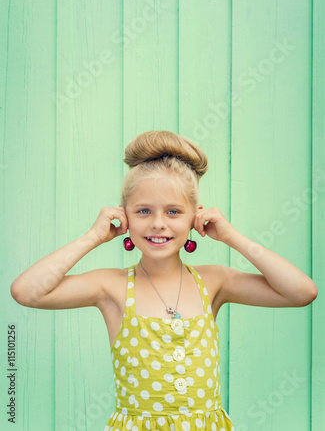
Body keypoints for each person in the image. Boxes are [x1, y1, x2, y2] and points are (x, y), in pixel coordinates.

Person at [10, 130, 318, 431]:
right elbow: (27, 292)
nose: (158, 223)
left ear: (194, 217)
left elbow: (301, 292)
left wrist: (231, 236)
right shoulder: (111, 287)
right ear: (124, 215)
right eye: (143, 210)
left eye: (173, 211)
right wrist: (92, 237)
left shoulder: (214, 281)